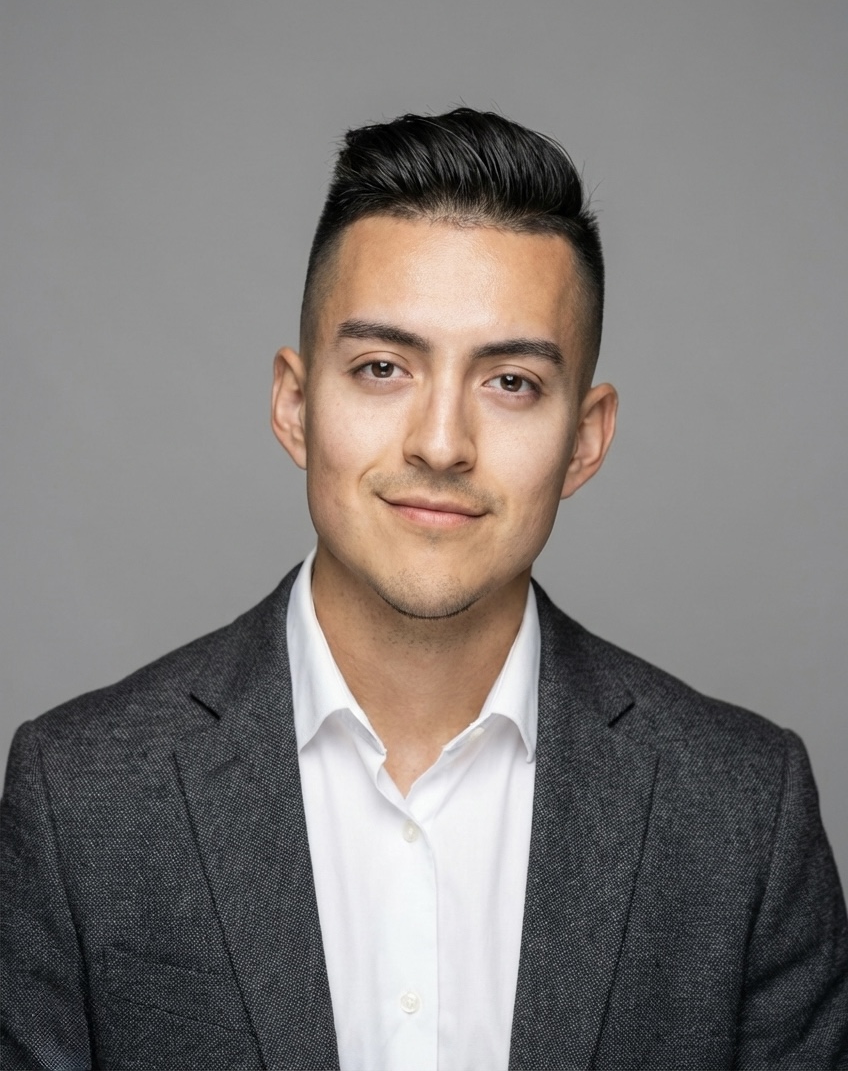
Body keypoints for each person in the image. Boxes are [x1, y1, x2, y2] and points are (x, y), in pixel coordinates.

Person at [2, 109, 846, 1071]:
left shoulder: (743, 812)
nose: (441, 444)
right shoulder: (80, 796)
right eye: (382, 368)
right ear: (295, 405)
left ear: (585, 439)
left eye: (512, 382)